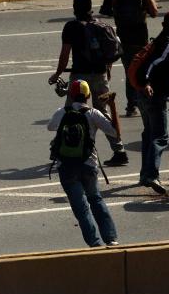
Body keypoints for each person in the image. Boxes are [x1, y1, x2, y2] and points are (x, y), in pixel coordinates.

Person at [49, 0, 129, 166]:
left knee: (71, 111)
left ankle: (66, 147)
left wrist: (57, 75)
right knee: (103, 111)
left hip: (80, 77)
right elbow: (109, 54)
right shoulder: (100, 25)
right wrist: (107, 72)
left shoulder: (71, 27)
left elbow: (65, 54)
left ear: (74, 8)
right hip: (100, 74)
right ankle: (119, 150)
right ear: (90, 8)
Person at [46, 80, 119, 247]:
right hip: (89, 166)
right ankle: (111, 238)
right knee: (96, 199)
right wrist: (112, 106)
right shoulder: (93, 113)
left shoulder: (62, 112)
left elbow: (50, 127)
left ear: (71, 95)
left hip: (66, 167)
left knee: (81, 208)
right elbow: (115, 133)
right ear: (88, 95)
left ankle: (94, 243)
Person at [131, 12, 169, 195]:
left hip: (141, 94)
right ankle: (152, 175)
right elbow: (152, 65)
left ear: (163, 24)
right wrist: (146, 83)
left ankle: (145, 174)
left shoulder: (155, 42)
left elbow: (165, 65)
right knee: (160, 136)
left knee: (149, 133)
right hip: (152, 95)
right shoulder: (167, 45)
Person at [113, 0, 159, 118]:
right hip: (139, 37)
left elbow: (115, 13)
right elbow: (154, 12)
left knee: (129, 71)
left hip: (123, 37)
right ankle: (144, 102)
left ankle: (131, 106)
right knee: (142, 70)